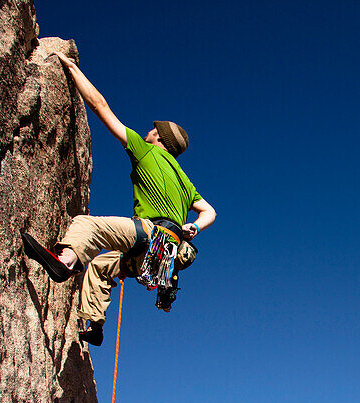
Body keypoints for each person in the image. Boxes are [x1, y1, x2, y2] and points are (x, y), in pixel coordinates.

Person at [23, 51, 216, 346]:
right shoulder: (184, 180)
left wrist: (72, 68)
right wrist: (196, 226)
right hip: (162, 253)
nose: (149, 130)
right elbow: (210, 211)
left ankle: (65, 259)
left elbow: (100, 106)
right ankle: (95, 326)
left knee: (85, 225)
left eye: (154, 130)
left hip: (148, 234)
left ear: (160, 140)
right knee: (101, 266)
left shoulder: (146, 150)